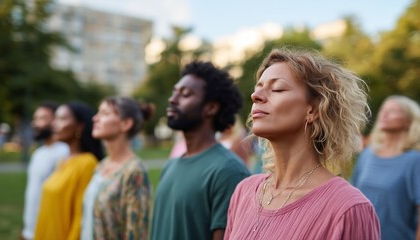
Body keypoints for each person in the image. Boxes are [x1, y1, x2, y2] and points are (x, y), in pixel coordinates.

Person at [224, 48, 380, 239]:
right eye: (258, 88)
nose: (255, 96)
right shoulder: (244, 192)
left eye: (277, 89)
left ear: (313, 109)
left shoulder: (348, 209)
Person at [151, 61, 250, 240]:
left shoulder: (229, 171)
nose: (172, 99)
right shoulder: (171, 165)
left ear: (211, 108)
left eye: (185, 94)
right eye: (174, 92)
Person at [81, 96, 154, 240]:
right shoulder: (101, 165)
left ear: (125, 124)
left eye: (105, 113)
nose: (95, 118)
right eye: (98, 113)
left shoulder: (134, 172)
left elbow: (136, 233)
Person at [352, 95, 420, 240]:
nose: (384, 113)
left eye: (393, 110)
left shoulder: (414, 160)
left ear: (408, 122)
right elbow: (352, 195)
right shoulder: (368, 154)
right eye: (383, 109)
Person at [34, 102, 103, 240]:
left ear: (80, 126)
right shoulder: (64, 160)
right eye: (55, 118)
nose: (54, 124)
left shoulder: (87, 163)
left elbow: (80, 218)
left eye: (62, 119)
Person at [21, 102, 69, 240]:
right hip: (30, 230)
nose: (35, 123)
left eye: (41, 118)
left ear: (56, 121)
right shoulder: (38, 153)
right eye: (35, 118)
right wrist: (25, 228)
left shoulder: (64, 152)